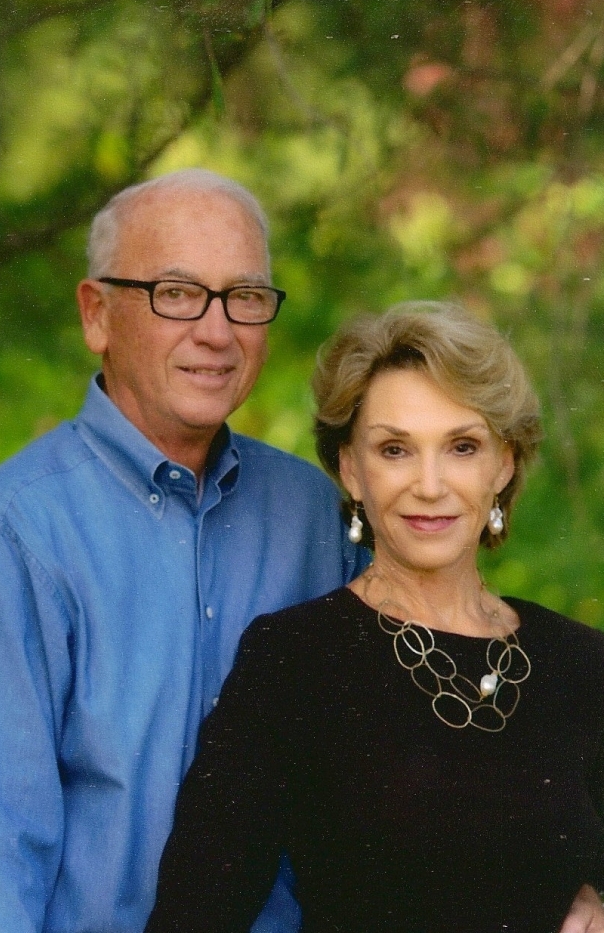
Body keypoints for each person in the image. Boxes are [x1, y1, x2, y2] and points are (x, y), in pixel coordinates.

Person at [0, 169, 363, 933]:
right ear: (97, 315)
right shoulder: (6, 539)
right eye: (177, 293)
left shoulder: (317, 519)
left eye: (244, 297)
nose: (216, 332)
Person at [146, 300, 604, 933]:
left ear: (503, 464)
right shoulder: (295, 659)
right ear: (350, 469)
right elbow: (193, 914)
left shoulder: (582, 663)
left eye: (462, 446)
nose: (430, 484)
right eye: (395, 450)